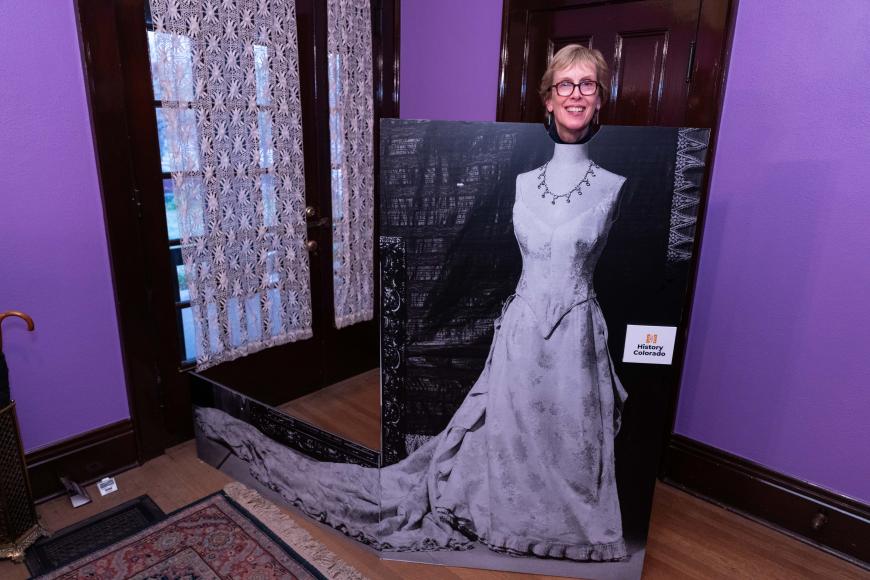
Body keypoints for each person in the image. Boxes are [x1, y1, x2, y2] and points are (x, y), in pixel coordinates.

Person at [196, 44, 629, 562]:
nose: (576, 94)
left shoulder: (613, 186)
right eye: (565, 84)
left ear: (600, 98)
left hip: (576, 338)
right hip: (522, 331)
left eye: (587, 84)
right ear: (548, 99)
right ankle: (504, 515)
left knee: (571, 445)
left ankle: (565, 526)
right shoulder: (521, 183)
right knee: (504, 439)